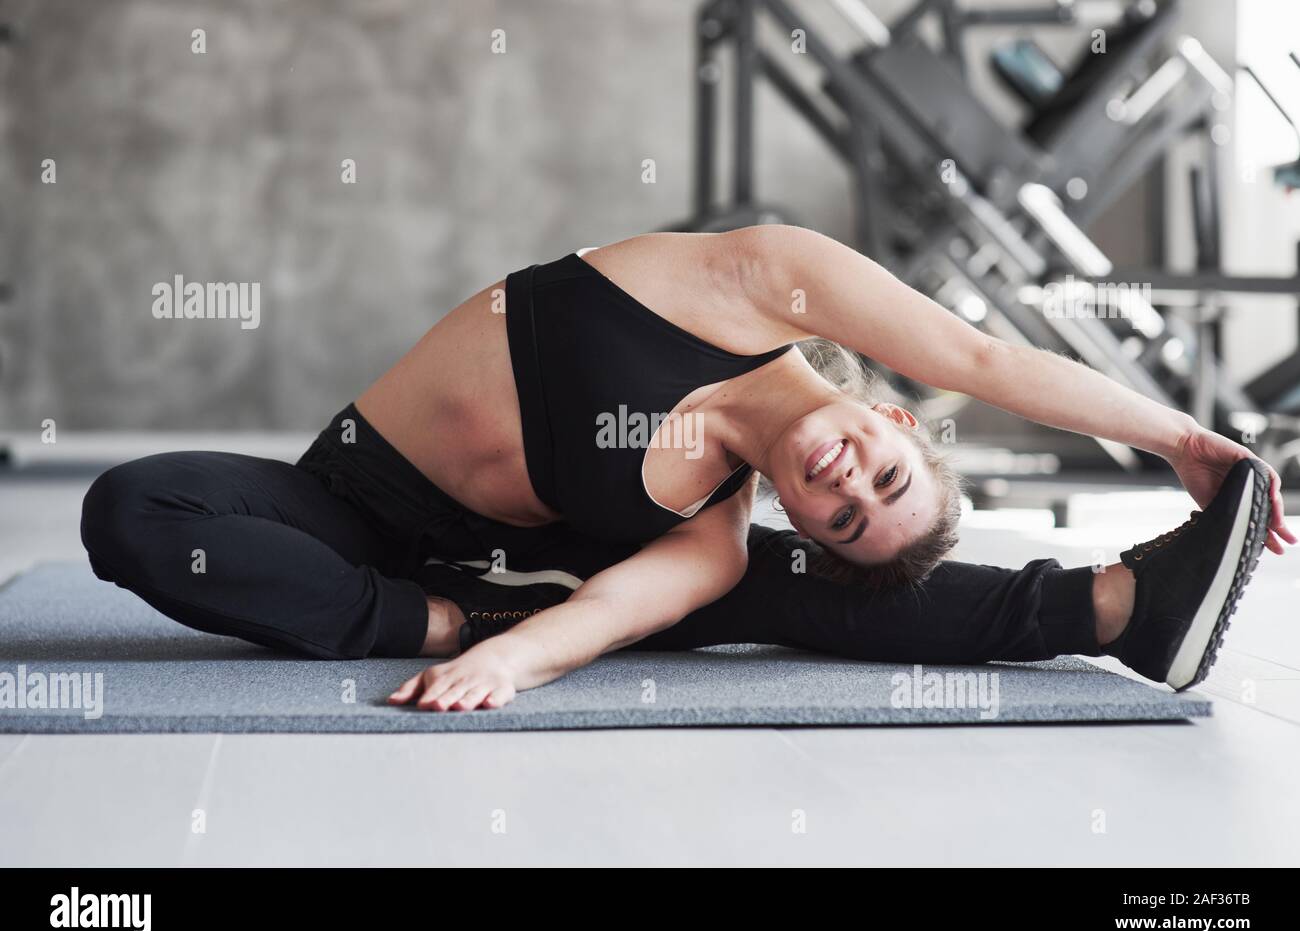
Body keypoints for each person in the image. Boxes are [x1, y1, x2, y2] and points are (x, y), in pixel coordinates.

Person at [79, 227, 1293, 711]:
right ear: (895, 418)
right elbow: (976, 352)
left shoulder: (715, 532)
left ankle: (1120, 607)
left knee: (740, 589)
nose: (846, 482)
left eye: (844, 513)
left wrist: (503, 653)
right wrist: (1178, 439)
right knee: (136, 509)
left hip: (521, 577)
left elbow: (606, 609)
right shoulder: (754, 282)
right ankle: (426, 613)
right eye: (881, 473)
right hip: (346, 507)